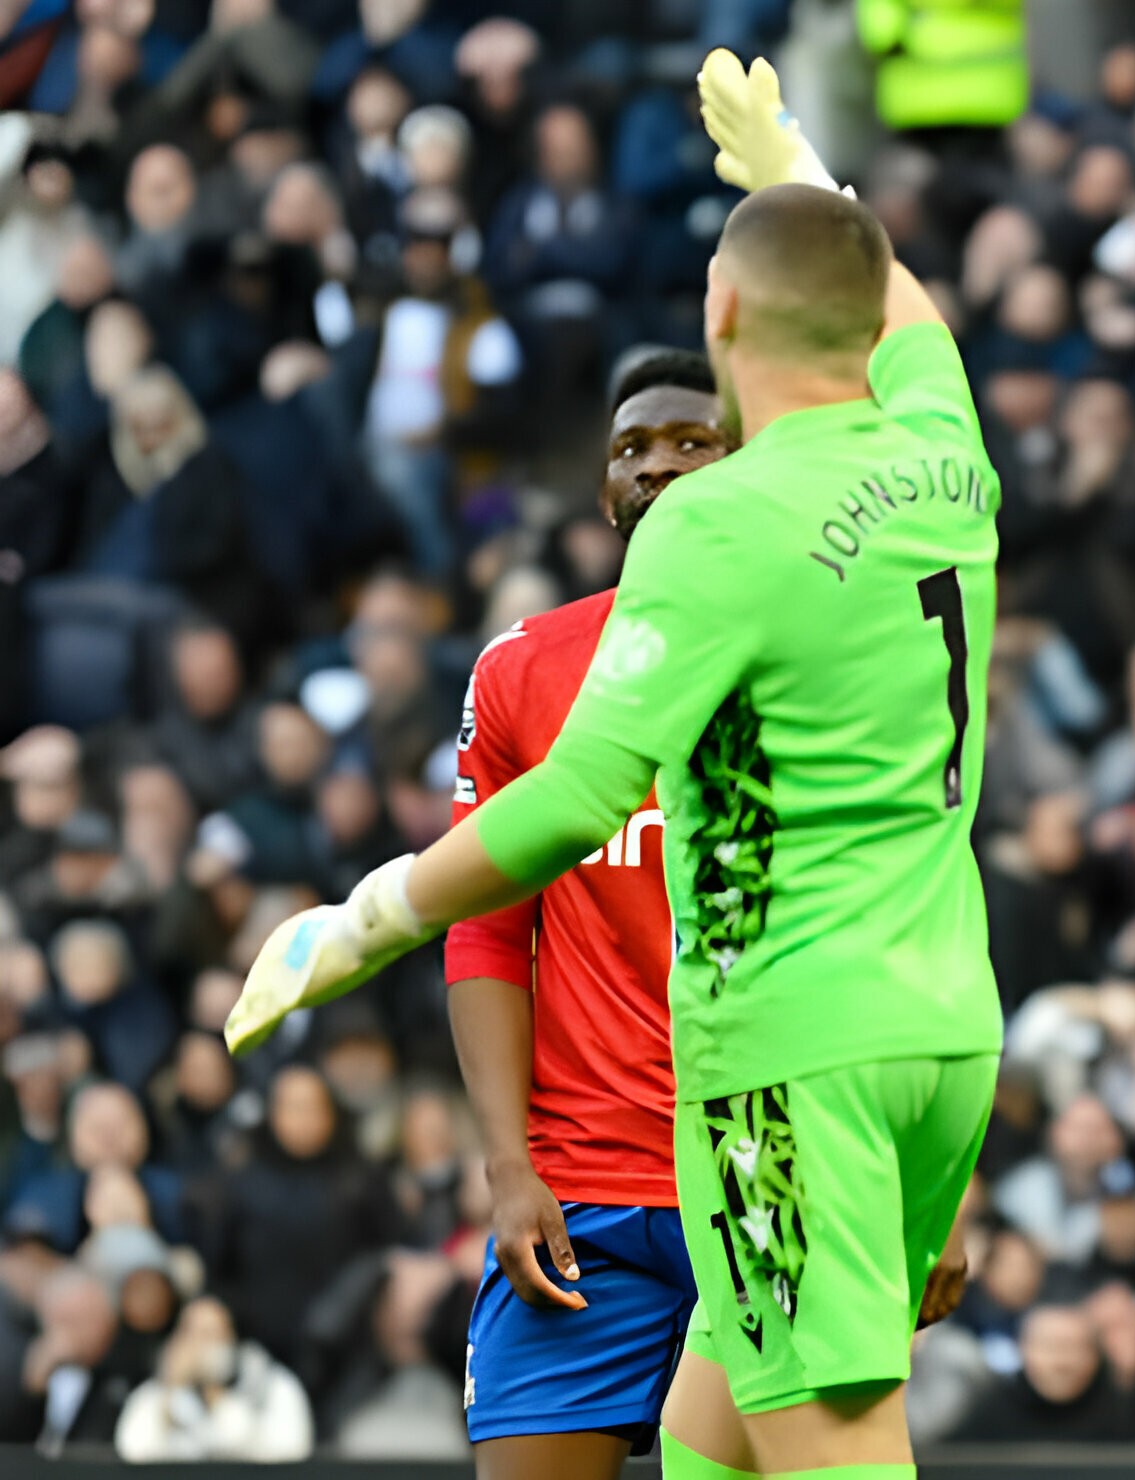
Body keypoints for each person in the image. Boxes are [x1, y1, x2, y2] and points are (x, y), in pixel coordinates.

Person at [223, 48, 1002, 1480]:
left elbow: (576, 799)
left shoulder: (716, 528)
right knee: (714, 1450)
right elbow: (899, 310)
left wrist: (364, 922)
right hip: (946, 1035)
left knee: (837, 1457)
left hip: (790, 1060)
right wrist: (796, 172)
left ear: (721, 318)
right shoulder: (952, 456)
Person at [445, 348, 731, 1480]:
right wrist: (508, 1167)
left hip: (761, 1175)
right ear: (604, 491)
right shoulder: (522, 668)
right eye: (630, 449)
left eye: (691, 441)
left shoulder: (827, 662)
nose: (656, 465)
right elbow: (485, 926)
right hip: (580, 1197)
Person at [113, 1296, 314, 1463]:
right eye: (190, 1333)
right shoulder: (156, 1392)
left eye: (210, 1334)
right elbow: (134, 1450)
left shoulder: (273, 1384)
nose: (199, 1346)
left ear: (232, 1337)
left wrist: (216, 1396)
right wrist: (170, 1391)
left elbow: (291, 1452)